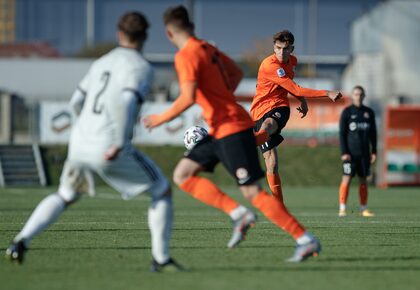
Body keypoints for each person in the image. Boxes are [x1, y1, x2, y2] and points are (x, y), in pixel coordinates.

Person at [5, 11, 182, 272]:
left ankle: (20, 241)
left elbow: (76, 102)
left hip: (79, 143)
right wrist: (120, 142)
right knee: (161, 190)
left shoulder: (101, 62)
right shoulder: (140, 67)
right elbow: (126, 101)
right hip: (108, 144)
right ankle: (161, 259)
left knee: (66, 194)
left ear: (118, 34)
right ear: (145, 35)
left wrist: (86, 128)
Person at [144, 5, 320, 262]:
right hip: (220, 126)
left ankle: (305, 240)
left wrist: (160, 118)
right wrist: (221, 96)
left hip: (231, 127)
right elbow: (236, 73)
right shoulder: (208, 49)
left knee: (252, 192)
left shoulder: (185, 56)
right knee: (182, 174)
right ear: (191, 27)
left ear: (169, 34)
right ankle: (239, 214)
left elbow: (188, 97)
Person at [251, 30, 342, 203]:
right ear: (274, 47)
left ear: (291, 48)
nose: (281, 52)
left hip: (279, 107)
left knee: (270, 124)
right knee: (271, 163)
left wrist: (302, 101)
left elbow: (292, 87)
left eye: (285, 49)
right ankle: (278, 203)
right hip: (258, 111)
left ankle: (279, 207)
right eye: (278, 48)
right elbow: (296, 88)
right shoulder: (269, 65)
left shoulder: (293, 61)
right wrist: (327, 92)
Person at [338, 85, 377, 217]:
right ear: (352, 96)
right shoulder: (347, 112)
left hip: (365, 153)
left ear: (364, 96)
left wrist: (374, 151)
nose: (358, 96)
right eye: (356, 94)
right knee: (346, 179)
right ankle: (342, 208)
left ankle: (363, 208)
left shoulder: (369, 113)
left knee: (363, 180)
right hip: (350, 154)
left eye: (360, 94)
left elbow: (373, 133)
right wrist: (344, 152)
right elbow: (342, 133)